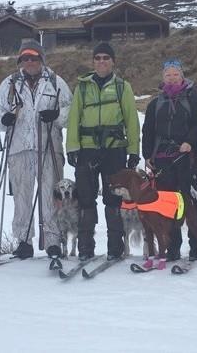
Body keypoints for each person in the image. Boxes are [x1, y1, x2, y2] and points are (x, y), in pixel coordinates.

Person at [0, 40, 71, 260]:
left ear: (41, 59)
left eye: (34, 58)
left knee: (50, 195)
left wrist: (57, 116)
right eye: (25, 58)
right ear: (20, 61)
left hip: (49, 147)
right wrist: (3, 119)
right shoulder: (10, 83)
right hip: (19, 148)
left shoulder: (56, 82)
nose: (29, 62)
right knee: (22, 196)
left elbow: (70, 110)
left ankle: (53, 240)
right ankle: (23, 241)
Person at [66, 42, 139, 261]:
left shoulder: (122, 87)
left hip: (114, 149)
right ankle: (86, 247)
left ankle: (115, 248)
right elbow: (74, 118)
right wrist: (72, 147)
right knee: (86, 199)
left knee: (113, 199)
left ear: (113, 61)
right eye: (97, 58)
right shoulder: (83, 87)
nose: (101, 62)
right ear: (93, 61)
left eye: (106, 58)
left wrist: (134, 150)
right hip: (87, 149)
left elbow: (131, 120)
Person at [141, 58, 197, 262]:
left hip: (187, 156)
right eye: (168, 75)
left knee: (191, 201)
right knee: (168, 204)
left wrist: (190, 142)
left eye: (175, 74)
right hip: (162, 159)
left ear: (182, 76)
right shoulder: (155, 104)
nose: (171, 78)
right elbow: (148, 130)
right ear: (163, 78)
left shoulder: (193, 99)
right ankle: (172, 247)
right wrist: (147, 154)